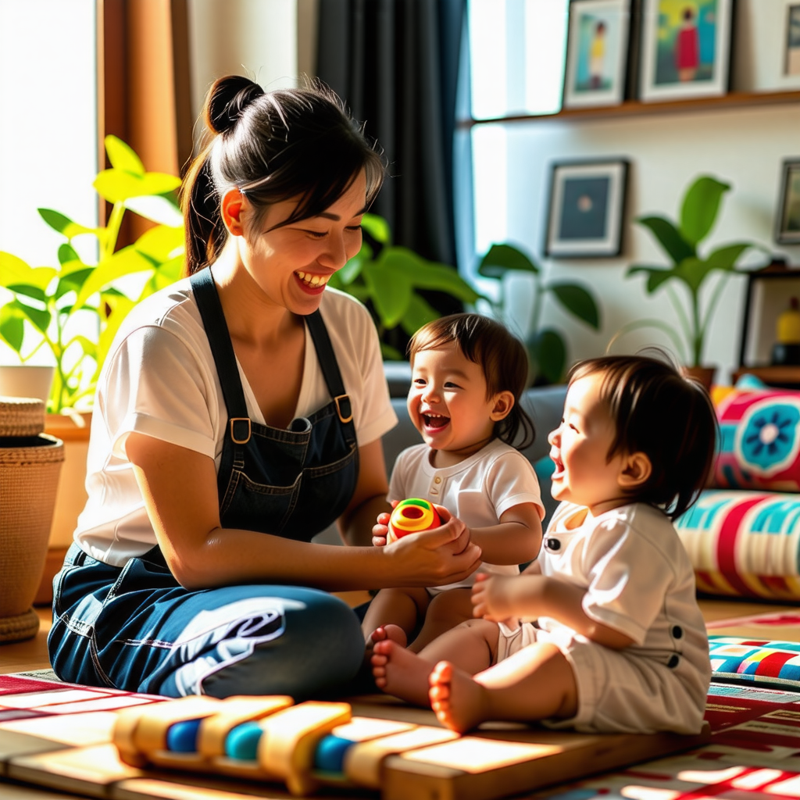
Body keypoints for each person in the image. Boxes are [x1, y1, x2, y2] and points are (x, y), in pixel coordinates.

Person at [47, 75, 481, 700]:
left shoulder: (347, 326)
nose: (337, 255)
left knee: (474, 612)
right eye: (314, 229)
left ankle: (318, 669)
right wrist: (381, 569)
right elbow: (195, 554)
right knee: (319, 630)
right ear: (237, 212)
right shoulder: (166, 339)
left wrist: (409, 552)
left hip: (260, 602)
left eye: (353, 226)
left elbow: (363, 502)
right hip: (133, 599)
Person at [371, 354, 717, 736]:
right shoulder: (572, 510)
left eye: (573, 427)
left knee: (555, 657)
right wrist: (506, 601)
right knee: (487, 632)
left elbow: (613, 631)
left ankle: (484, 698)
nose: (554, 435)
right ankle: (424, 675)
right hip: (572, 646)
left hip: (650, 681)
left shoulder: (638, 533)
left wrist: (541, 595)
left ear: (632, 469)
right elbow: (543, 571)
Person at [362, 314, 544, 653]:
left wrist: (462, 538)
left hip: (482, 594)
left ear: (498, 405)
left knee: (449, 606)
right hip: (421, 582)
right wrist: (387, 535)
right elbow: (398, 525)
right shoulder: (409, 461)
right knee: (394, 592)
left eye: (450, 385)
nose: (429, 396)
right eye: (420, 382)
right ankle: (369, 651)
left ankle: (412, 663)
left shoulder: (502, 465)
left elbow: (527, 539)